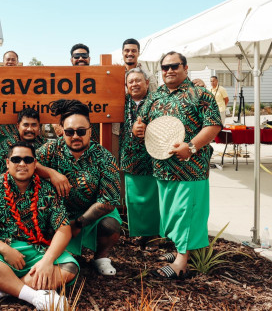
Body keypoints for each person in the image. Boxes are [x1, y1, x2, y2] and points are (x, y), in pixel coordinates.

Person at [133, 51, 222, 279]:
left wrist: (190, 147)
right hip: (163, 168)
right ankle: (180, 249)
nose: (169, 70)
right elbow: (140, 121)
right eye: (165, 67)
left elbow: (213, 126)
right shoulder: (155, 97)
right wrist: (138, 129)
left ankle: (182, 262)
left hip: (190, 168)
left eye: (174, 66)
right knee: (172, 213)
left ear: (185, 67)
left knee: (187, 213)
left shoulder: (200, 94)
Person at [0, 142, 78, 310]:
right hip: (1, 252)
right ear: (8, 162)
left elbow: (63, 229)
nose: (22, 164)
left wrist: (47, 261)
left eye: (28, 159)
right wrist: (5, 250)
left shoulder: (47, 190)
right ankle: (37, 297)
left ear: (35, 163)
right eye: (16, 159)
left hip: (37, 252)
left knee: (70, 267)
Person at [36, 99, 122, 276]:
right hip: (60, 215)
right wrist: (51, 173)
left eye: (81, 131)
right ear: (62, 131)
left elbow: (109, 199)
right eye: (69, 131)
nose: (75, 136)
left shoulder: (104, 157)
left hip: (91, 215)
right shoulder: (51, 149)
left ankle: (101, 257)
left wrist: (79, 223)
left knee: (110, 224)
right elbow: (29, 163)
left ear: (90, 131)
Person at [119, 68, 160, 249]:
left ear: (147, 83)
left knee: (152, 199)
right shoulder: (121, 101)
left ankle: (154, 235)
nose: (134, 84)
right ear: (126, 86)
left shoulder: (157, 101)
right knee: (133, 200)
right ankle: (139, 234)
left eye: (138, 80)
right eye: (131, 81)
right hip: (130, 158)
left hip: (152, 158)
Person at [0, 108, 46, 183]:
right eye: (26, 125)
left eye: (34, 125)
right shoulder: (5, 147)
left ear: (39, 127)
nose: (30, 129)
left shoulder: (45, 145)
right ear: (18, 126)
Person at [69, 44, 100, 142]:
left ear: (89, 59)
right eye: (77, 57)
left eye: (84, 56)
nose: (81, 58)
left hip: (96, 135)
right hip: (71, 135)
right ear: (71, 60)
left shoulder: (99, 77)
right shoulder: (63, 80)